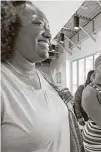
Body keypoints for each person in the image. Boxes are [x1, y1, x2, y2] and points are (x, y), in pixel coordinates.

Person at [1, 1, 77, 152]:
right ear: (10, 29)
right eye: (38, 23)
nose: (49, 35)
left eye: (48, 27)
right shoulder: (3, 85)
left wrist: (66, 106)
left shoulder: (45, 79)